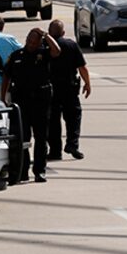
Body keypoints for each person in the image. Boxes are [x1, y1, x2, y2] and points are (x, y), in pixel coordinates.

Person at [1, 28, 61, 183]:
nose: (31, 44)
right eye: (29, 40)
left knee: (41, 138)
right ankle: (23, 171)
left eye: (34, 42)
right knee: (23, 138)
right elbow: (6, 77)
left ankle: (40, 171)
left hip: (40, 101)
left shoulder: (44, 54)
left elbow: (57, 51)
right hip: (21, 102)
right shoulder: (17, 56)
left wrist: (46, 35)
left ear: (40, 43)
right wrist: (3, 97)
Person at [47, 19, 91, 161]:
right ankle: (72, 144)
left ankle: (55, 151)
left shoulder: (44, 46)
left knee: (53, 121)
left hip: (50, 89)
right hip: (69, 87)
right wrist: (87, 83)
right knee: (73, 117)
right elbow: (82, 67)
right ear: (63, 32)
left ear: (49, 33)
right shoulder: (71, 45)